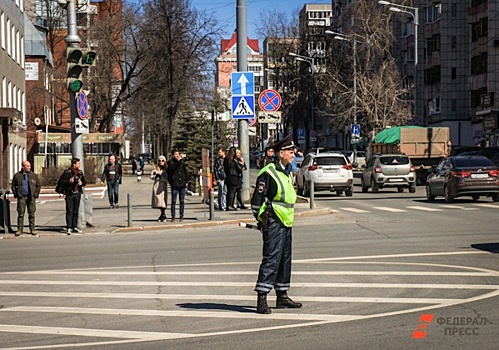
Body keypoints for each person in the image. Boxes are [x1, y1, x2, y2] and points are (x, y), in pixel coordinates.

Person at [251, 133, 302, 314]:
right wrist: (263, 220)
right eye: (290, 151)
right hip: (274, 220)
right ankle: (262, 297)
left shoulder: (286, 171)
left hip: (286, 220)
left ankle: (282, 295)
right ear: (281, 153)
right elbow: (257, 201)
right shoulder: (268, 173)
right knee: (271, 258)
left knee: (284, 259)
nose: (293, 154)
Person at [11, 160, 41, 236]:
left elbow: (38, 185)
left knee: (31, 214)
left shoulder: (33, 175)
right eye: (27, 166)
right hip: (22, 197)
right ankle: (19, 229)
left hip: (31, 197)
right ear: (23, 167)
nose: (29, 168)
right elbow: (13, 186)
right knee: (21, 214)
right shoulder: (17, 176)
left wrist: (36, 194)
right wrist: (16, 194)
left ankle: (32, 229)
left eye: (29, 166)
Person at [58, 158, 87, 235]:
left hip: (77, 193)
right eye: (78, 163)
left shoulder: (80, 173)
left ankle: (74, 226)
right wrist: (69, 181)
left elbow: (84, 182)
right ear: (74, 164)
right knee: (69, 211)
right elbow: (61, 182)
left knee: (75, 211)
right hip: (69, 193)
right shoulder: (67, 172)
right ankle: (69, 227)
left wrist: (81, 183)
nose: (79, 165)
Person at [167, 149, 188, 222]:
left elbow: (185, 171)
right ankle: (173, 216)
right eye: (176, 154)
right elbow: (171, 169)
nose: (177, 156)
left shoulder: (182, 162)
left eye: (178, 154)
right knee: (173, 201)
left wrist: (186, 180)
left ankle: (181, 216)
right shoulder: (170, 162)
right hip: (175, 184)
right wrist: (171, 182)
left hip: (182, 183)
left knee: (182, 201)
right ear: (173, 155)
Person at [224, 146, 243, 211]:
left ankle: (228, 205)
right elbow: (239, 169)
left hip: (228, 177)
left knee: (229, 192)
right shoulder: (234, 160)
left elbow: (225, 168)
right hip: (234, 177)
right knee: (232, 192)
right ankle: (230, 205)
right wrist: (242, 164)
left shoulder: (226, 159)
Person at [151, 155, 169, 222]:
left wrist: (161, 177)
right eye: (159, 161)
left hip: (163, 187)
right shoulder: (156, 168)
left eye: (162, 160)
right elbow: (152, 176)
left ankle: (163, 215)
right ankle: (162, 215)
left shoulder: (166, 169)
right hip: (157, 186)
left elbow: (167, 178)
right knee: (158, 202)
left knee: (163, 202)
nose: (161, 162)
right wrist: (155, 175)